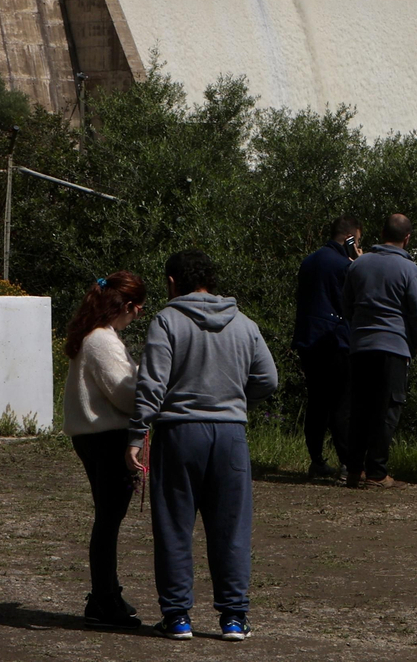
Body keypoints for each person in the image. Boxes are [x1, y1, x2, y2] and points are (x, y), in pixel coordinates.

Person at [126, 250, 278, 641]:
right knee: (231, 527)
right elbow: (268, 378)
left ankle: (177, 617)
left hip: (179, 433)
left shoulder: (167, 320)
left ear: (173, 282)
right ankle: (233, 618)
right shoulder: (244, 323)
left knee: (174, 525)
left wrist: (137, 433)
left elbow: (152, 383)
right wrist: (236, 400)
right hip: (229, 435)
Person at [62, 271, 147, 629]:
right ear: (125, 305)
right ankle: (104, 598)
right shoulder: (103, 341)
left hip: (94, 435)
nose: (139, 314)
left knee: (108, 517)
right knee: (109, 519)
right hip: (107, 436)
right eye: (137, 307)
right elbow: (126, 394)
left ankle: (106, 592)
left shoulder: (95, 335)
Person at [343, 213, 417, 489]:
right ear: (407, 238)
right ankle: (378, 473)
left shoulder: (359, 265)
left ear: (381, 233)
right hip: (394, 347)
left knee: (359, 408)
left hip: (361, 346)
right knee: (386, 409)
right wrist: (415, 342)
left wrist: (357, 329)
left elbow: (346, 304)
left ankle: (354, 470)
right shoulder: (409, 270)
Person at [293, 215, 361, 479]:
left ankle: (316, 460)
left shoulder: (309, 261)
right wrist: (356, 262)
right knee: (342, 403)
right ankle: (347, 462)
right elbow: (348, 303)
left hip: (308, 339)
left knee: (317, 401)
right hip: (334, 339)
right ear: (351, 237)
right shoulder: (345, 265)